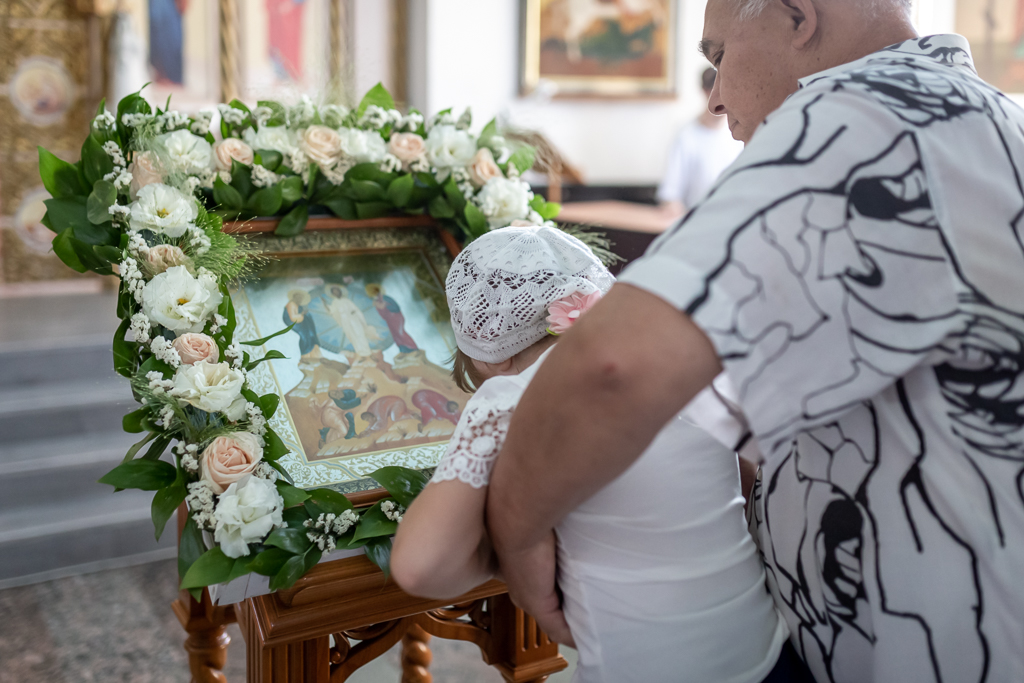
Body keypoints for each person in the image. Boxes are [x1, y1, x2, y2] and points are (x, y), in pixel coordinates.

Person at [484, 0, 1024, 681]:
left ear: (798, 16)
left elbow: (613, 365)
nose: (714, 99)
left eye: (718, 57)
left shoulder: (857, 119)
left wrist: (518, 537)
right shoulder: (978, 112)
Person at [392, 226, 794, 683]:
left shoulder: (508, 397)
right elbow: (746, 482)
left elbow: (420, 567)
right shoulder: (676, 360)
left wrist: (506, 550)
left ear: (487, 355)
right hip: (768, 654)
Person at [657, 67, 744, 217]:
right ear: (705, 92)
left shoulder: (740, 135)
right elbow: (670, 194)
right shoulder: (686, 136)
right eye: (716, 92)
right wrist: (673, 208)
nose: (721, 100)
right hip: (698, 221)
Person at [321, 285, 378, 358]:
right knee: (352, 336)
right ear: (333, 294)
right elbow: (331, 311)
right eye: (334, 292)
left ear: (340, 292)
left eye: (337, 291)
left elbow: (356, 310)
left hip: (354, 319)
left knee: (360, 333)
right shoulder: (335, 302)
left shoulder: (346, 300)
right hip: (345, 321)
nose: (336, 293)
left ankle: (367, 352)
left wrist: (358, 317)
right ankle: (361, 354)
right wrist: (324, 303)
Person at [366, 283, 419, 353]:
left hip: (395, 318)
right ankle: (403, 348)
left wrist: (381, 306)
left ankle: (412, 347)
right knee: (395, 334)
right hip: (390, 320)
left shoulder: (385, 298)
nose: (374, 296)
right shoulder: (377, 301)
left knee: (400, 333)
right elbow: (382, 314)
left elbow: (395, 308)